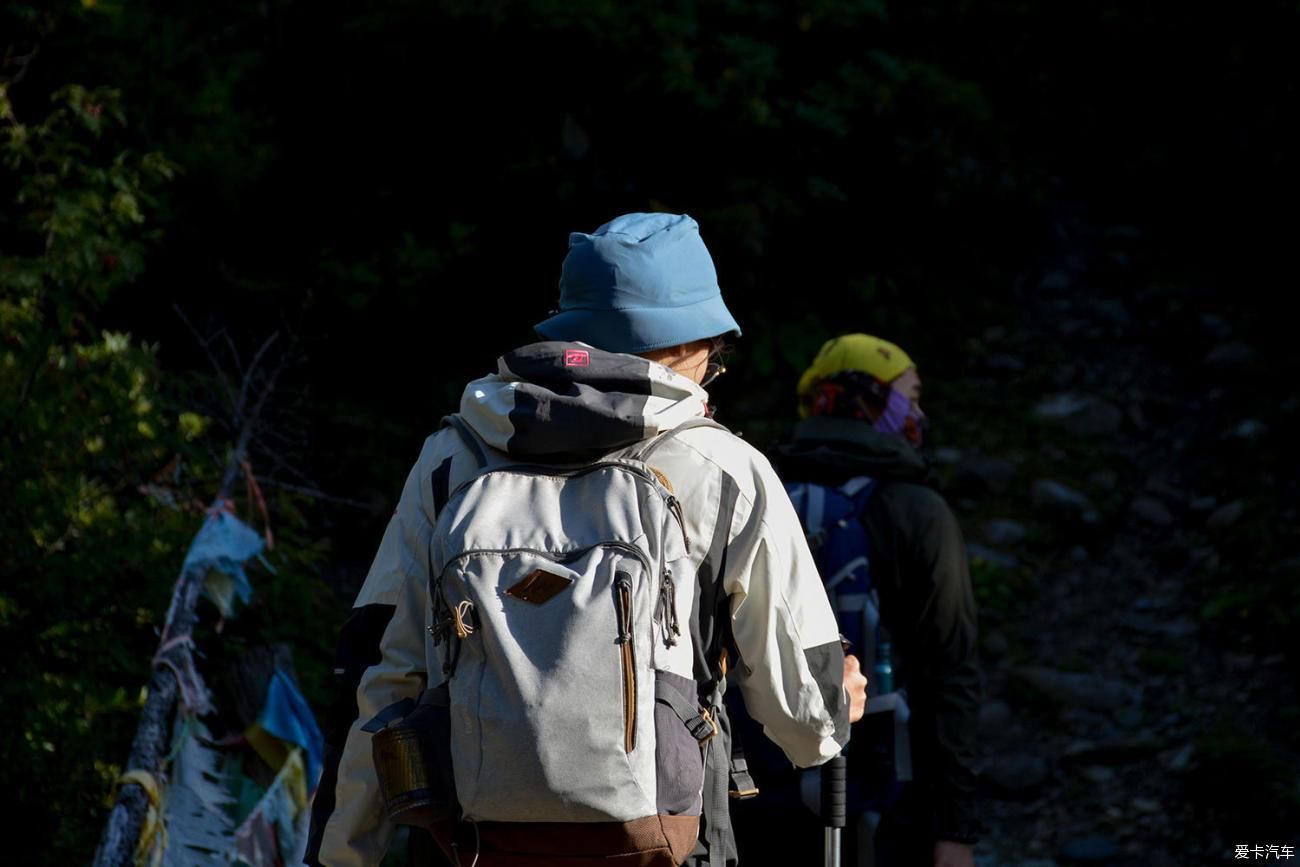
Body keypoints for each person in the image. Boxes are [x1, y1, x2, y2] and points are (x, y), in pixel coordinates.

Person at [305, 212, 869, 867]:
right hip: (666, 843)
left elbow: (380, 668)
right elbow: (803, 719)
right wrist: (835, 707)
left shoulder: (452, 457)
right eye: (715, 354)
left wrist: (345, 850)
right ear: (685, 346)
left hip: (470, 844)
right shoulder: (723, 468)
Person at [755, 333, 982, 867]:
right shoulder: (915, 509)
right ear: (873, 400)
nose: (919, 412)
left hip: (757, 795)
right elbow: (949, 673)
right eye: (911, 395)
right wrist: (955, 829)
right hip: (890, 800)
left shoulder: (757, 487)